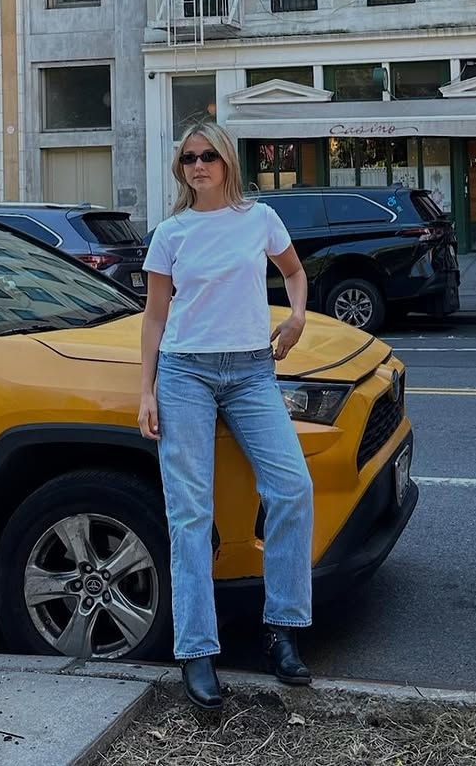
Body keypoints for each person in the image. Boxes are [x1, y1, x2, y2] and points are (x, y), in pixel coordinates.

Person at [138, 121, 314, 711]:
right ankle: (196, 650)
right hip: (185, 373)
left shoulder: (259, 219)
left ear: (227, 162)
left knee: (292, 488)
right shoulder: (171, 233)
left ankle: (282, 629)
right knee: (190, 511)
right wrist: (146, 390)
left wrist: (296, 317)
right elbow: (155, 317)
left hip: (252, 372)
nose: (198, 165)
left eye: (208, 155)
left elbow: (294, 271)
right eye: (189, 157)